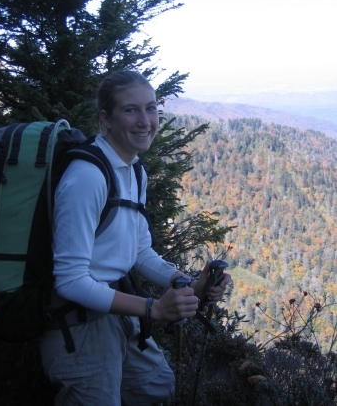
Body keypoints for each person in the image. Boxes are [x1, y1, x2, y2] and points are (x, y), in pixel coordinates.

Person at [40, 70, 231, 406]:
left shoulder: (134, 169)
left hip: (118, 309)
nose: (145, 121)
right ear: (105, 119)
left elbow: (139, 251)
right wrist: (153, 309)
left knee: (157, 388)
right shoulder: (87, 178)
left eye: (151, 108)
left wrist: (187, 282)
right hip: (77, 324)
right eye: (131, 110)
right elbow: (69, 282)